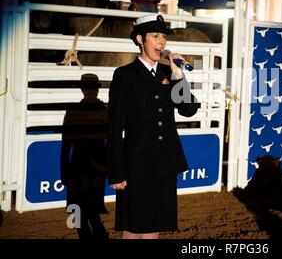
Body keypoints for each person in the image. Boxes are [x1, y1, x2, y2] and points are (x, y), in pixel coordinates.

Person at [107, 14, 199, 239]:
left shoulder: (170, 74)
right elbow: (114, 126)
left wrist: (179, 77)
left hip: (165, 161)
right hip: (136, 163)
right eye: (155, 36)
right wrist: (117, 171)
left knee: (155, 222)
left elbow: (188, 110)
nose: (161, 42)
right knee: (133, 224)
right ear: (140, 39)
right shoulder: (124, 75)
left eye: (164, 37)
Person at [61, 73, 109, 239]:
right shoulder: (104, 111)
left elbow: (66, 144)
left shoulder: (73, 111)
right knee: (94, 215)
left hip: (77, 167)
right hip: (97, 169)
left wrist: (64, 171)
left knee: (78, 217)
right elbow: (110, 143)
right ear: (96, 89)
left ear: (82, 89)